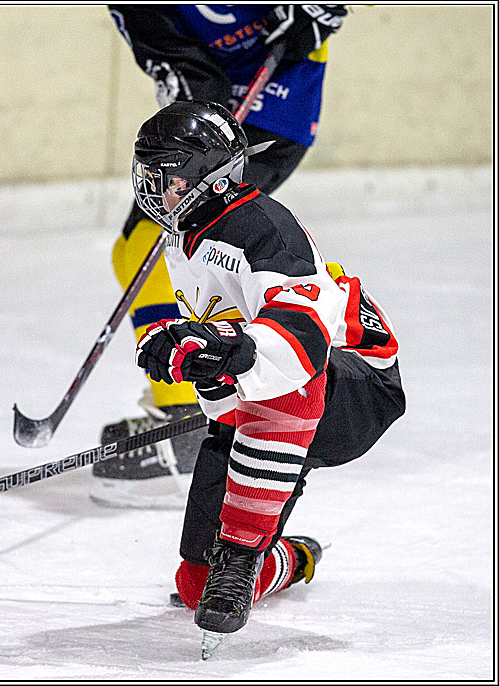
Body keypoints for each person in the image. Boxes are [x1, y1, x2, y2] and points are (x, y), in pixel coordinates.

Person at [128, 100, 404, 638]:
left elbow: (301, 335)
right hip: (279, 385)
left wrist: (225, 351)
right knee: (193, 585)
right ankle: (286, 560)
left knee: (283, 380)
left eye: (173, 179)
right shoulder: (183, 236)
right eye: (152, 177)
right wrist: (193, 357)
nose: (158, 192)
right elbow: (228, 349)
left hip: (356, 385)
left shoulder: (264, 231)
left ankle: (240, 556)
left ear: (214, 178)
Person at [93, 4, 349, 508]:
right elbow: (158, 34)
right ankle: (197, 407)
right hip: (205, 116)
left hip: (273, 98)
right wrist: (191, 83)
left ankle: (194, 422)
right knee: (141, 251)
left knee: (208, 259)